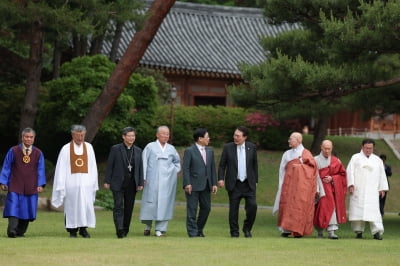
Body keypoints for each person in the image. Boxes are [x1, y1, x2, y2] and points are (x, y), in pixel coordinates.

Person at [51, 125, 99, 238]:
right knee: (72, 207)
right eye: (78, 135)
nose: (80, 138)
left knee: (85, 207)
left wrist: (93, 182)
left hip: (86, 184)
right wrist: (61, 184)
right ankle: (72, 230)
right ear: (73, 135)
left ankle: (83, 229)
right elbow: (61, 168)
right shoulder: (66, 149)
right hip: (71, 185)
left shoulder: (89, 147)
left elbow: (93, 167)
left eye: (82, 135)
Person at [272, 132, 320, 238]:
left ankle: (298, 230)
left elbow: (312, 169)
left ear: (298, 140)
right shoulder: (286, 154)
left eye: (291, 139)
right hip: (288, 185)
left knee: (298, 206)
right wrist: (282, 183)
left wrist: (299, 167)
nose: (289, 141)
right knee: (287, 206)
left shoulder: (306, 153)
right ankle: (286, 229)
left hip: (301, 187)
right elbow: (282, 169)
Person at [0, 128, 46, 238]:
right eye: (26, 137)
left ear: (34, 138)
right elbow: (6, 167)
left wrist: (40, 184)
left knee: (27, 208)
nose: (29, 139)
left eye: (31, 137)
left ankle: (20, 231)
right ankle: (11, 230)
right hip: (15, 183)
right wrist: (3, 181)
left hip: (31, 185)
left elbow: (40, 169)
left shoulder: (38, 153)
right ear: (22, 138)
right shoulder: (13, 150)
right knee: (13, 206)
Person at [139, 126, 181, 237]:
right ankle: (148, 226)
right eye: (163, 134)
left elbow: (177, 163)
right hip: (151, 180)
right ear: (157, 135)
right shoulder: (150, 147)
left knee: (164, 204)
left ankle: (160, 229)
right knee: (150, 203)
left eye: (167, 134)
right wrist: (143, 177)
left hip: (167, 182)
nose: (166, 136)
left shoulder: (171, 149)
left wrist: (172, 171)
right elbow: (144, 162)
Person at [218, 126, 258, 238]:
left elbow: (255, 165)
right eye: (234, 135)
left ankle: (247, 229)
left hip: (248, 184)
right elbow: (222, 165)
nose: (235, 137)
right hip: (234, 184)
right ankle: (234, 232)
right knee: (233, 210)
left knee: (252, 207)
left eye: (238, 136)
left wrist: (256, 181)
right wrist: (221, 178)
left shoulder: (252, 147)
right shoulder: (228, 147)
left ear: (245, 137)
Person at [104, 127, 144, 238]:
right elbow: (110, 165)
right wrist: (107, 180)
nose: (131, 138)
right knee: (118, 206)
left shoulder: (138, 150)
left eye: (133, 136)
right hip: (117, 181)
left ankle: (125, 228)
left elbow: (140, 167)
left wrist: (140, 182)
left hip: (132, 183)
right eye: (129, 136)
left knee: (129, 207)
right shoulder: (115, 149)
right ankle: (119, 229)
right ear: (123, 136)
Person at [347, 139, 389, 240]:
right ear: (362, 147)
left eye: (370, 148)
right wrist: (351, 184)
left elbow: (382, 175)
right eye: (366, 148)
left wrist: (382, 188)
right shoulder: (355, 158)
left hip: (372, 190)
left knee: (374, 211)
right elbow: (349, 171)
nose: (368, 150)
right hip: (358, 189)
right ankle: (358, 231)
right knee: (357, 211)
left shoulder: (377, 160)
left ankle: (377, 232)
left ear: (373, 148)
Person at [183, 128, 217, 237]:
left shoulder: (210, 151)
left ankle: (199, 229)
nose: (209, 139)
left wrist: (214, 183)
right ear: (200, 138)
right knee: (192, 210)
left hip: (206, 185)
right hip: (192, 185)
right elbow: (186, 168)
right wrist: (187, 183)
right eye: (207, 137)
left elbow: (212, 168)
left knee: (206, 208)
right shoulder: (189, 151)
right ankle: (192, 232)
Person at [313, 140, 347, 239]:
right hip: (319, 188)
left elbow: (342, 175)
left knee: (332, 207)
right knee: (320, 209)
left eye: (329, 149)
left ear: (332, 148)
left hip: (331, 189)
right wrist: (317, 188)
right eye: (325, 148)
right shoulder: (315, 160)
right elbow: (311, 175)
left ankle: (332, 231)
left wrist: (332, 178)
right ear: (321, 147)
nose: (327, 151)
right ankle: (320, 231)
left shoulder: (336, 161)